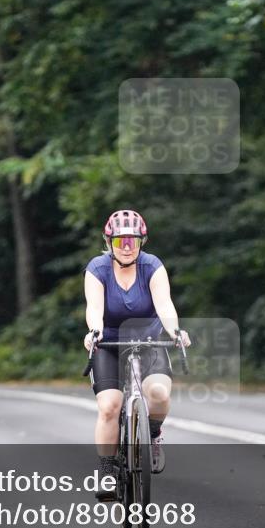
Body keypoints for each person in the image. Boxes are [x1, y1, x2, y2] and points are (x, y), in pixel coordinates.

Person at [83, 209, 190, 501]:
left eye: (132, 241)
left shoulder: (152, 266)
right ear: (109, 242)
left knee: (158, 394)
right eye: (120, 242)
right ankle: (106, 469)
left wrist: (174, 331)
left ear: (142, 242)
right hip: (109, 343)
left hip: (149, 340)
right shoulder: (97, 268)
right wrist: (95, 331)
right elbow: (94, 307)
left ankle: (153, 434)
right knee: (109, 406)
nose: (127, 247)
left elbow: (165, 304)